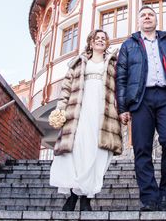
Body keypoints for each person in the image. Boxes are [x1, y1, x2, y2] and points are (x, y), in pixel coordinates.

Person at [116, 5, 166, 211]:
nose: (147, 17)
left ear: (156, 20)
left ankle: (165, 193)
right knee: (142, 148)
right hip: (140, 99)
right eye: (143, 15)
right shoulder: (128, 46)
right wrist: (122, 108)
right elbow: (121, 78)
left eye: (151, 15)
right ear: (138, 21)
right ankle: (149, 197)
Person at [49, 29, 122, 212]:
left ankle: (87, 198)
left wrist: (123, 110)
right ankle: (73, 196)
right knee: (77, 152)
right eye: (96, 38)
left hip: (103, 113)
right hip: (79, 112)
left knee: (95, 153)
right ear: (90, 42)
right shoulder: (78, 62)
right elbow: (66, 88)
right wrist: (60, 108)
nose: (100, 41)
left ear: (106, 43)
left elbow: (120, 88)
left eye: (103, 39)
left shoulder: (113, 63)